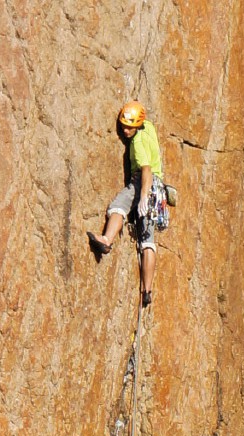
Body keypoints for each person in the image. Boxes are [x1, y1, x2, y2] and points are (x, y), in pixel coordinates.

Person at [89, 101, 165, 307]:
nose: (125, 130)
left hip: (144, 182)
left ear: (137, 125)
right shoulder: (148, 127)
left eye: (129, 126)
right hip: (158, 189)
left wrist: (141, 197)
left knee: (118, 206)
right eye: (123, 125)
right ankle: (147, 290)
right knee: (147, 240)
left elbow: (146, 170)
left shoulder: (138, 142)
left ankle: (106, 239)